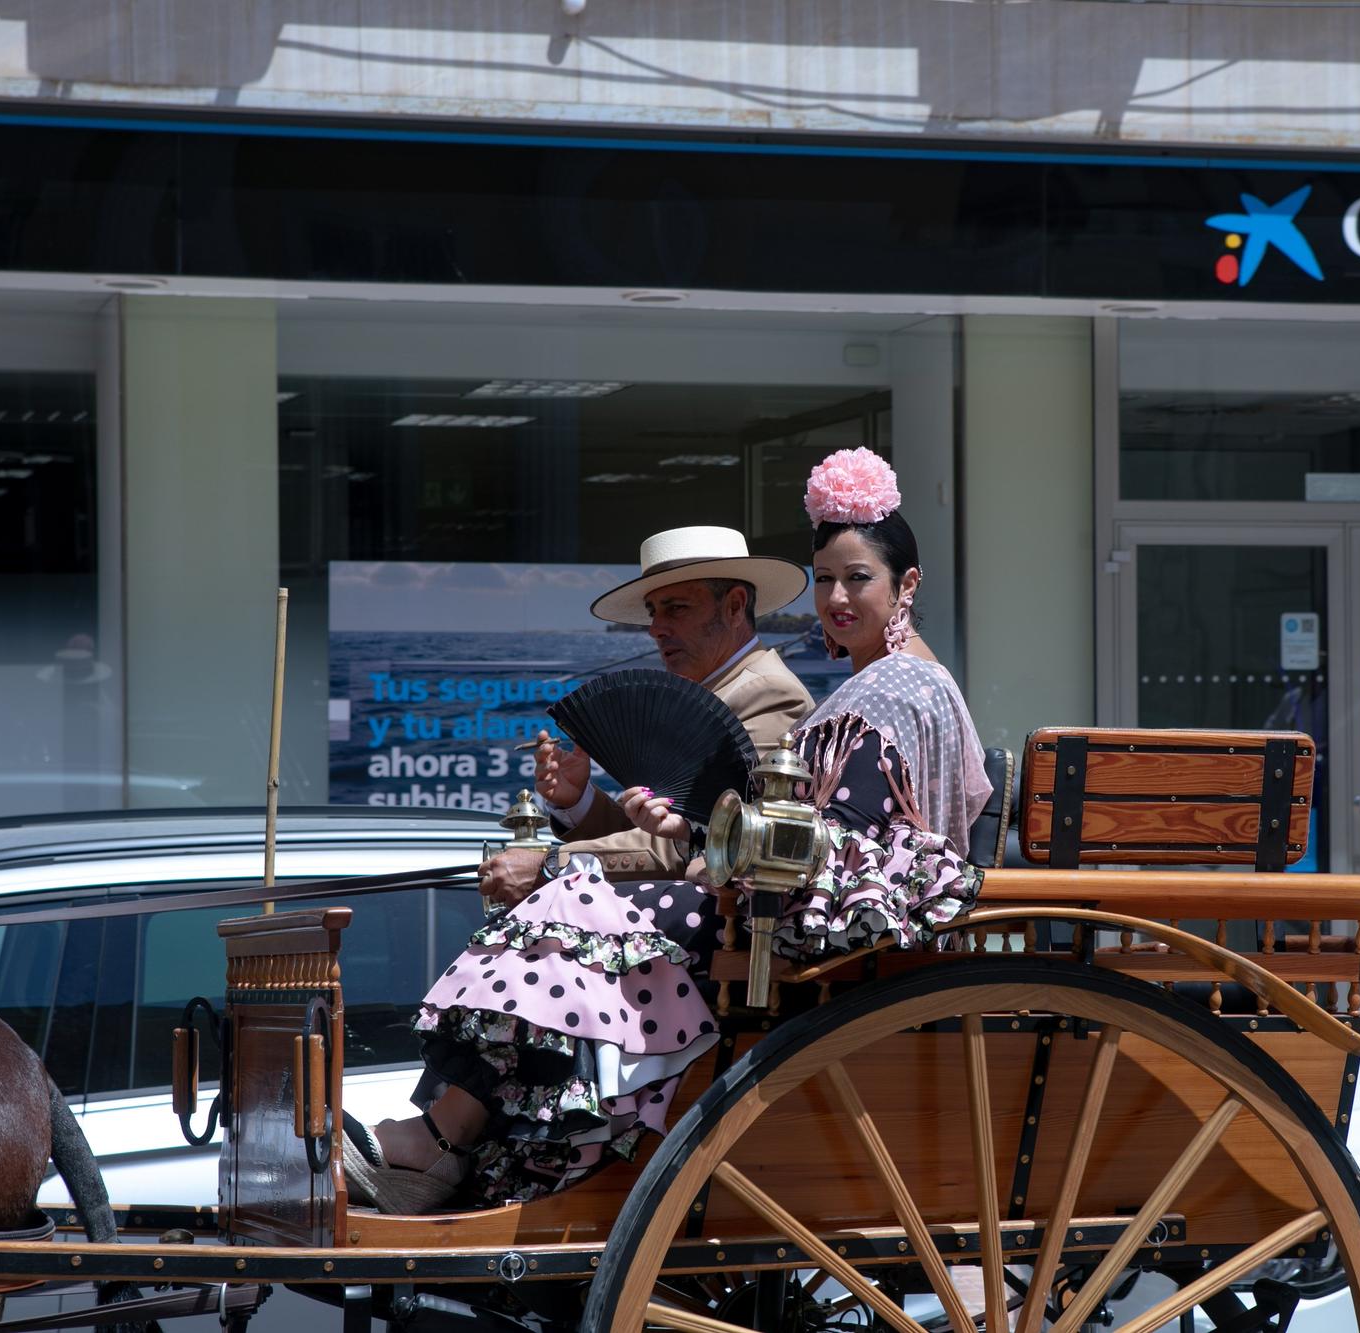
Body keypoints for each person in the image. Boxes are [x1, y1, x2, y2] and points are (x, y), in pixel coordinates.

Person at [344, 448, 989, 1212]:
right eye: (825, 579)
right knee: (571, 905)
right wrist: (691, 833)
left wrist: (695, 848)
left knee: (570, 906)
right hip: (772, 916)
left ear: (905, 584)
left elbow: (839, 843)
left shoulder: (892, 687)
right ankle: (469, 1136)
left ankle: (449, 1140)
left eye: (859, 578)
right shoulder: (874, 683)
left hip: (810, 938)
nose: (837, 598)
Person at [479, 525, 816, 908]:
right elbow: (671, 835)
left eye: (677, 608)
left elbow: (703, 846)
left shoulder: (770, 693)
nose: (656, 628)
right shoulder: (718, 691)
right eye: (653, 612)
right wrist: (579, 802)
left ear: (735, 606)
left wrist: (551, 864)